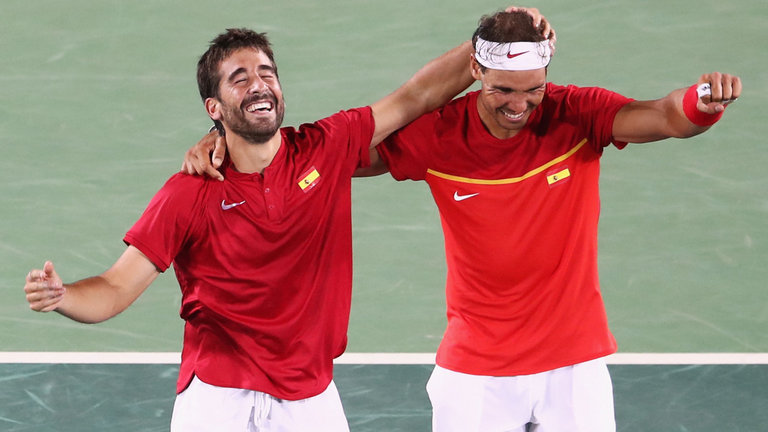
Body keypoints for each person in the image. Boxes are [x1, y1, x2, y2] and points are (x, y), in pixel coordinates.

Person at [183, 9, 742, 432]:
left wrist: (700, 102)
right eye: (502, 90)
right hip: (475, 370)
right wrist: (226, 140)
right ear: (476, 72)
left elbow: (665, 117)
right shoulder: (438, 136)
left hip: (573, 364)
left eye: (533, 90)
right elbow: (317, 157)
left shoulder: (577, 115)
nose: (519, 105)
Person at [23, 8, 553, 432]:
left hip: (310, 395)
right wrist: (63, 295)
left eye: (266, 73)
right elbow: (117, 287)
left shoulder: (325, 148)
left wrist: (493, 43)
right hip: (218, 397)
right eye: (239, 79)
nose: (258, 85)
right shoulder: (189, 194)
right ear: (214, 106)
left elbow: (414, 97)